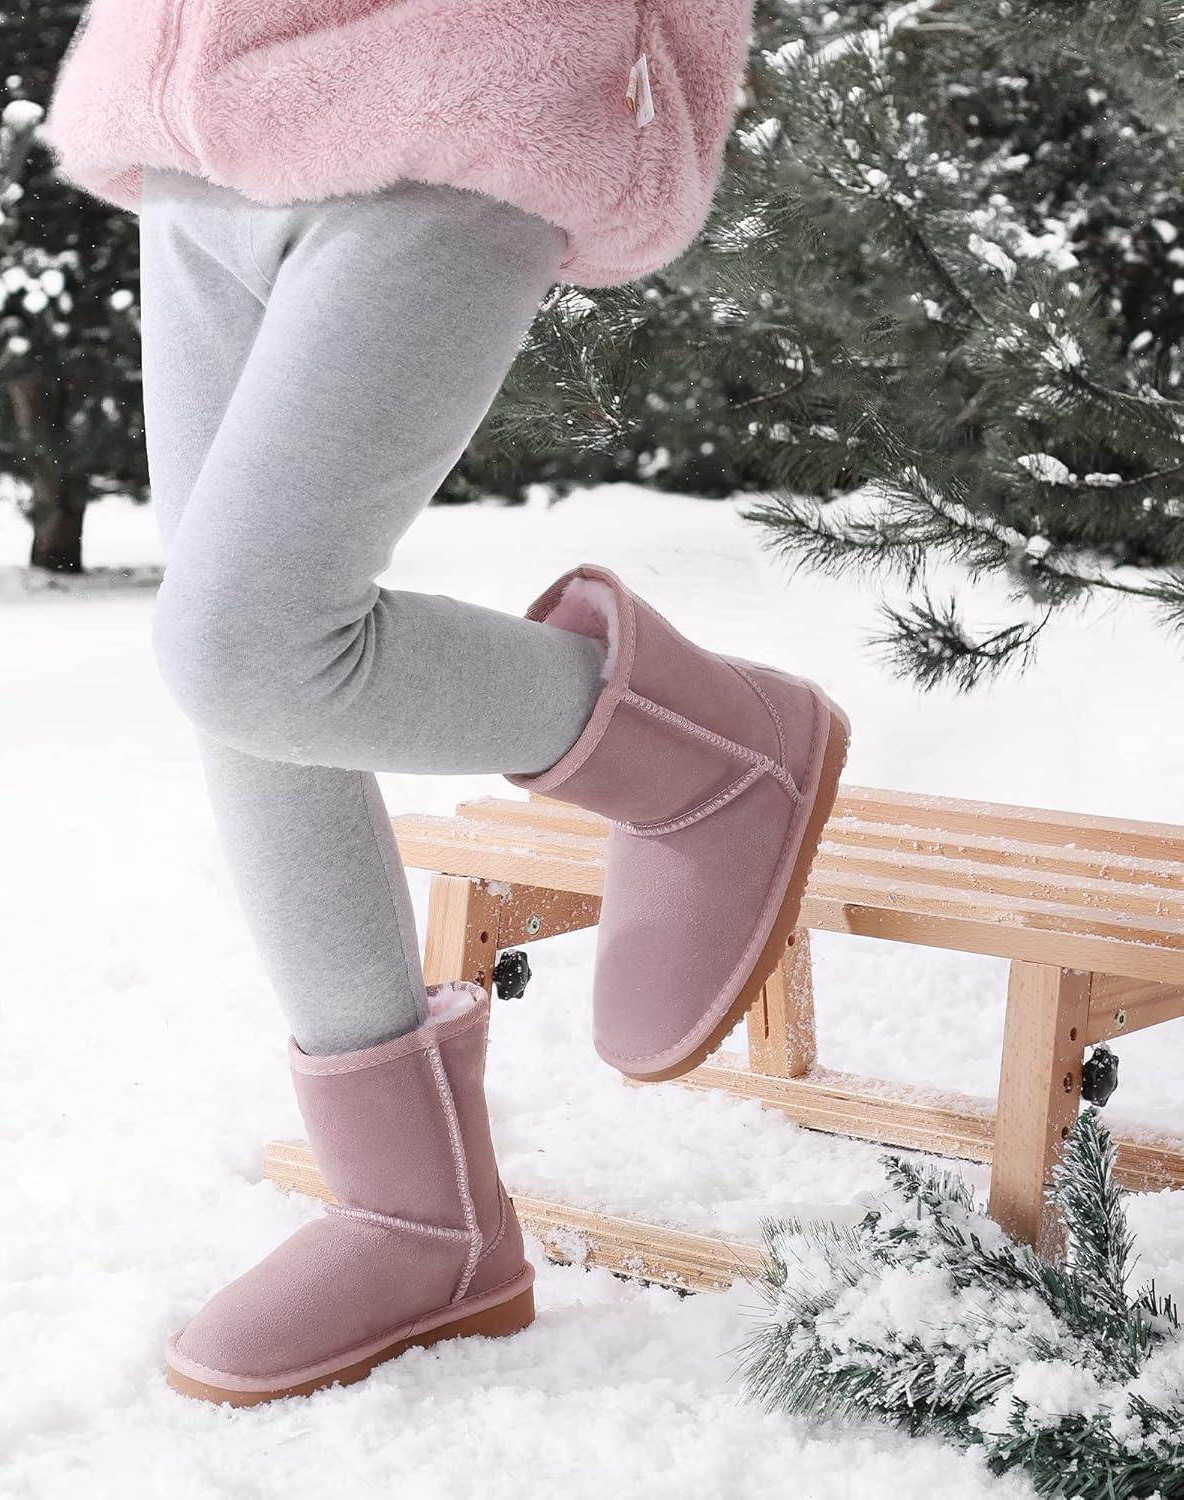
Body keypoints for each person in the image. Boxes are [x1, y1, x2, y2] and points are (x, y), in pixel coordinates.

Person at [47, 0, 849, 1407]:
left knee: (253, 644)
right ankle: (421, 1220)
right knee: (240, 694)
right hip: (188, 124)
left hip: (454, 94)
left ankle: (716, 762)